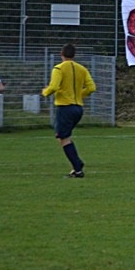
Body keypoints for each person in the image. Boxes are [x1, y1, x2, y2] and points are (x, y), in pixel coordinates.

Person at [42, 44, 96, 178]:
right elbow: (92, 88)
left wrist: (45, 92)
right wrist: (79, 94)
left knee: (63, 138)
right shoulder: (82, 69)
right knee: (65, 137)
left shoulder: (58, 68)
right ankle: (77, 164)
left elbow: (54, 86)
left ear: (62, 54)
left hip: (65, 107)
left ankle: (78, 168)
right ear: (74, 55)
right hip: (78, 108)